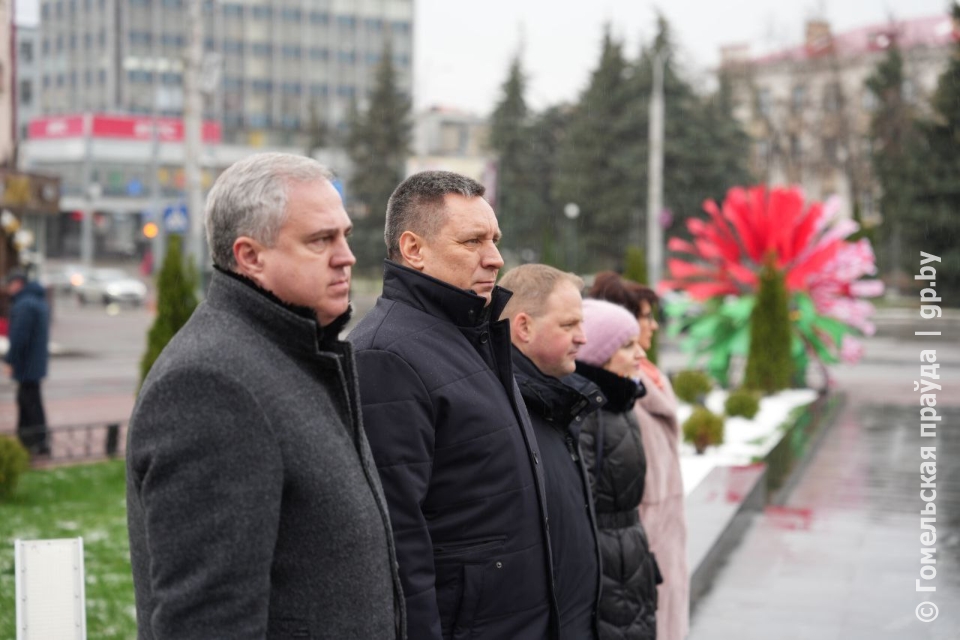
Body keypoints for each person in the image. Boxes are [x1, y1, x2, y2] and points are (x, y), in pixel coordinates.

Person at [126, 153, 405, 640]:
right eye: (320, 240)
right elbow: (207, 624)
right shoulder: (211, 384)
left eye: (343, 235)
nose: (346, 256)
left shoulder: (294, 353)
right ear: (250, 257)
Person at [349, 171, 555, 640]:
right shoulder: (385, 354)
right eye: (472, 241)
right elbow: (397, 542)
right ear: (413, 249)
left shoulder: (471, 333)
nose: (495, 258)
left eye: (495, 240)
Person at [499, 264, 604, 640]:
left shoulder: (558, 401)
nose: (582, 338)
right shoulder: (503, 412)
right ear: (523, 327)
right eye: (568, 325)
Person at [590, 272, 688, 640]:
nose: (653, 326)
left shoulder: (648, 377)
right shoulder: (618, 393)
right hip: (638, 536)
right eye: (646, 317)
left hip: (661, 529)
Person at [576, 298, 660, 640]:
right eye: (627, 346)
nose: (640, 353)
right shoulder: (587, 415)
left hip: (630, 561)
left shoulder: (622, 404)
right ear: (598, 355)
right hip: (607, 572)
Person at [4, 269, 51, 457]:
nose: (8, 288)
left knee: (29, 403)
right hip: (35, 362)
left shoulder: (25, 305)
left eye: (9, 284)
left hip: (27, 364)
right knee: (31, 401)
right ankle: (32, 441)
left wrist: (11, 360)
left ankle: (35, 442)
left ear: (18, 283)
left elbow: (19, 337)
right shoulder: (38, 301)